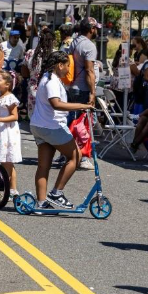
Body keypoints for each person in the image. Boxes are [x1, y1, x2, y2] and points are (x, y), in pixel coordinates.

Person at [29, 50, 93, 210]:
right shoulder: (51, 81)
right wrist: (82, 105)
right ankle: (56, 193)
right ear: (60, 65)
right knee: (75, 156)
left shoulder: (48, 78)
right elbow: (56, 104)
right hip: (51, 126)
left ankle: (41, 203)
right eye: (67, 66)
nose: (69, 70)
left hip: (40, 126)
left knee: (44, 165)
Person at [68, 18, 99, 170]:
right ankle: (82, 157)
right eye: (96, 28)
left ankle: (68, 153)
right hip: (83, 89)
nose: (97, 31)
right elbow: (89, 70)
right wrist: (93, 92)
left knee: (72, 121)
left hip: (72, 86)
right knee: (84, 123)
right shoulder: (88, 45)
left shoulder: (74, 42)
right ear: (91, 29)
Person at [0, 72, 22, 198]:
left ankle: (12, 189)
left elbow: (15, 116)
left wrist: (1, 120)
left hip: (7, 132)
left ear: (7, 85)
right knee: (4, 161)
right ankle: (9, 188)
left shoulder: (10, 98)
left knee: (8, 162)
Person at [22, 28, 55, 116]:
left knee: (34, 116)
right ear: (53, 41)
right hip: (50, 90)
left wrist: (33, 75)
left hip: (34, 89)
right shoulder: (55, 54)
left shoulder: (30, 53)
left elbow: (24, 72)